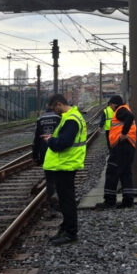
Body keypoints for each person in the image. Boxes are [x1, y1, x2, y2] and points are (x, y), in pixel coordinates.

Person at [41, 94, 87, 245]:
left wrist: (50, 141)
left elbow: (64, 143)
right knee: (66, 199)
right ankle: (66, 227)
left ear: (59, 104)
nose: (54, 111)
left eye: (54, 108)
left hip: (66, 164)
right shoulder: (72, 117)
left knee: (67, 201)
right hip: (66, 164)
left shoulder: (71, 119)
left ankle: (70, 233)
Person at [96, 95, 136, 210]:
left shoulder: (121, 110)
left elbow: (130, 117)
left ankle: (109, 201)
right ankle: (128, 201)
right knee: (125, 173)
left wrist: (123, 134)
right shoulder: (125, 109)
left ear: (114, 104)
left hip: (121, 147)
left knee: (112, 172)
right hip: (128, 146)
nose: (110, 107)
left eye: (111, 104)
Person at [33, 106, 61, 215]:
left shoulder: (40, 119)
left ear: (46, 107)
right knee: (59, 178)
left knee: (49, 180)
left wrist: (35, 156)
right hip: (58, 152)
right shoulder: (59, 118)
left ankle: (52, 207)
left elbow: (36, 139)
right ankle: (60, 201)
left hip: (45, 153)